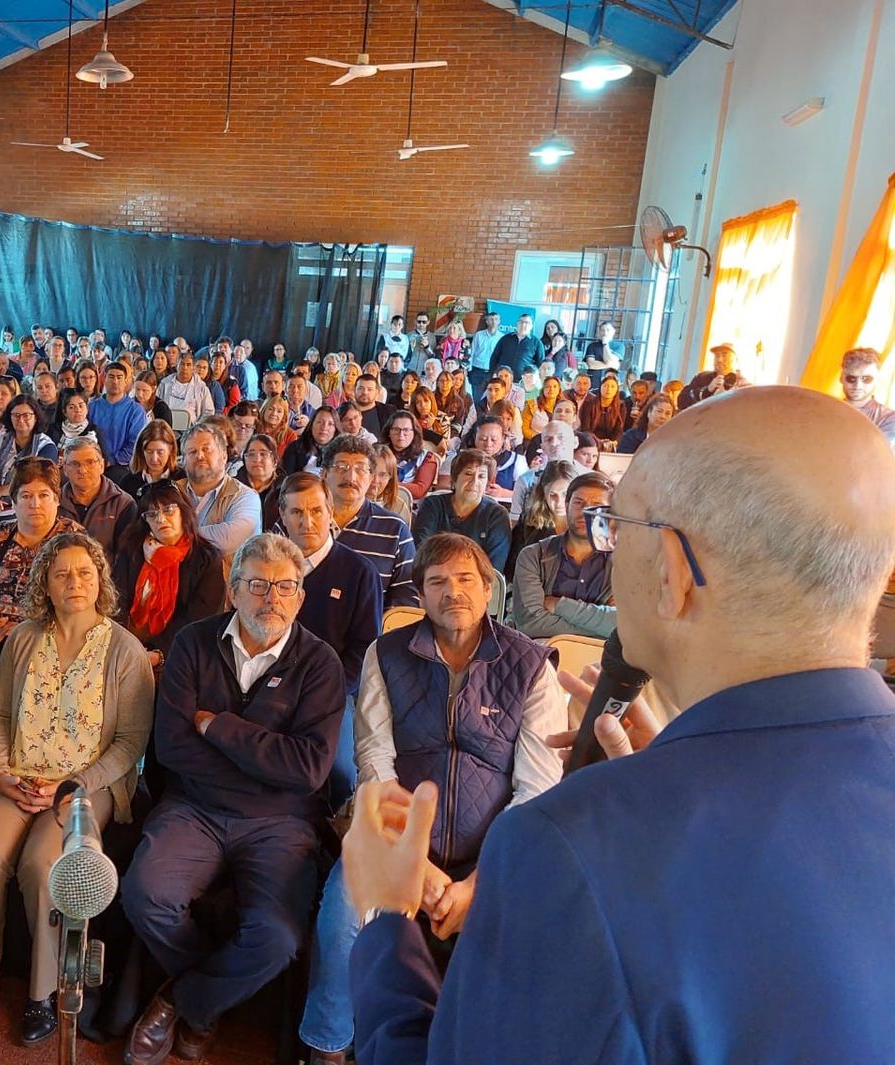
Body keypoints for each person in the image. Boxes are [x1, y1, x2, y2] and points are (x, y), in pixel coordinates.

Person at [349, 385, 895, 1063]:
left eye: (615, 524)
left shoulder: (566, 846)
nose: (605, 545)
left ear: (672, 571)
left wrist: (385, 918)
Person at [299, 532, 565, 1065]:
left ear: (490, 589)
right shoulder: (387, 653)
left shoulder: (532, 665)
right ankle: (326, 1048)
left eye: (466, 579)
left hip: (491, 851)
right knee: (345, 914)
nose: (453, 593)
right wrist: (413, 864)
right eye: (437, 582)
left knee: (537, 936)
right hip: (397, 839)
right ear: (419, 594)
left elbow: (537, 788)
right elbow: (375, 761)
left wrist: (479, 881)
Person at [122, 533, 345, 1065]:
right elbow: (173, 746)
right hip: (195, 810)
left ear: (301, 595)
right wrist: (267, 766)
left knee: (278, 937)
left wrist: (218, 726)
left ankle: (185, 1000)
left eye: (286, 586)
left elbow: (309, 769)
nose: (273, 597)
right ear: (233, 590)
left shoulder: (320, 664)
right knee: (145, 893)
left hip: (281, 824)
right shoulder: (193, 644)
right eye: (259, 584)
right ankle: (209, 999)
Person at [0, 532, 154, 1044]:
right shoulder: (24, 637)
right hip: (16, 775)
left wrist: (74, 786)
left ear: (100, 581)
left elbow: (130, 745)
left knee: (44, 866)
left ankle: (43, 993)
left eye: (84, 573)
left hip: (82, 791)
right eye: (62, 573)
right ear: (44, 582)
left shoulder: (125, 650)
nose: (74, 582)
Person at [278, 471, 383, 803]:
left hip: (335, 695)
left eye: (316, 511)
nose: (307, 521)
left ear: (330, 512)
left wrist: (325, 694)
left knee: (338, 772)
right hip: (272, 687)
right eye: (296, 512)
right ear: (282, 515)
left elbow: (365, 649)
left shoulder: (358, 572)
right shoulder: (271, 568)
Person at [0, 457, 84, 649]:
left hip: (50, 641)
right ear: (13, 502)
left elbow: (84, 601)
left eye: (44, 495)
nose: (35, 504)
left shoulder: (74, 539)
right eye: (26, 496)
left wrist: (26, 630)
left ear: (56, 499)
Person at [113, 480, 228, 671]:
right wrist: (125, 644)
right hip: (127, 645)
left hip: (180, 653)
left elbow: (200, 620)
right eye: (152, 514)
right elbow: (117, 600)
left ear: (184, 512)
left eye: (168, 510)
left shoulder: (207, 559)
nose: (160, 519)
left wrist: (157, 653)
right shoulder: (131, 551)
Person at [511, 469, 616, 638]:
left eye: (596, 505)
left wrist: (560, 605)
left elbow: (623, 626)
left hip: (600, 658)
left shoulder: (622, 563)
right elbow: (531, 624)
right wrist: (599, 626)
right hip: (542, 655)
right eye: (579, 503)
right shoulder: (533, 556)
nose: (586, 511)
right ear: (567, 505)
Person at [322, 435, 418, 608]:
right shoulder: (298, 518)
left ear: (371, 477)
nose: (350, 477)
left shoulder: (395, 530)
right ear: (324, 473)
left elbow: (406, 599)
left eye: (360, 469)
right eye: (341, 467)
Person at [412, 449, 510, 571]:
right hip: (434, 576)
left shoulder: (497, 515)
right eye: (468, 473)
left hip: (476, 581)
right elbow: (421, 549)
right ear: (454, 478)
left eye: (481, 476)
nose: (474, 482)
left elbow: (495, 565)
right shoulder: (433, 505)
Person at [182, 421, 261, 566]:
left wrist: (176, 537)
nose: (199, 456)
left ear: (224, 456)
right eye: (192, 452)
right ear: (183, 461)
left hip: (227, 585)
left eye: (207, 449)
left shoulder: (245, 497)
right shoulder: (173, 492)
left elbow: (228, 538)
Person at [507, 459, 581, 575]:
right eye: (552, 495)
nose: (559, 502)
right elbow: (514, 569)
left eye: (565, 494)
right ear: (543, 494)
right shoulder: (529, 524)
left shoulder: (586, 525)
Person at [509, 419, 577, 521]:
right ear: (542, 447)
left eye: (561, 437)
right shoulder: (526, 480)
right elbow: (515, 521)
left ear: (575, 442)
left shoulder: (588, 478)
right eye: (548, 439)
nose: (554, 443)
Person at [88, 361, 148, 470]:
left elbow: (136, 443)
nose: (115, 381)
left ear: (126, 381)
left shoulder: (136, 411)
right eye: (111, 377)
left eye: (119, 377)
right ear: (104, 379)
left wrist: (113, 461)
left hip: (122, 467)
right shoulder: (91, 407)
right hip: (92, 464)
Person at [839, 347, 895, 450]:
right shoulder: (825, 411)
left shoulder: (888, 418)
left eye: (866, 379)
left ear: (877, 379)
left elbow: (877, 456)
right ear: (841, 378)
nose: (858, 385)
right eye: (851, 378)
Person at [384, 410, 437, 501]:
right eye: (396, 429)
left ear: (414, 432)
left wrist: (386, 484)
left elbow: (419, 490)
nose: (401, 435)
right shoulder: (378, 453)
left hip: (409, 507)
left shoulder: (426, 457)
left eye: (406, 430)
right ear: (389, 432)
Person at [678, 342, 744, 409]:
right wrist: (707, 391)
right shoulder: (702, 378)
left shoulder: (743, 385)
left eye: (725, 355)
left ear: (736, 359)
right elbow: (681, 402)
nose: (719, 360)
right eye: (717, 356)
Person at [282, 407, 339, 475]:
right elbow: (287, 479)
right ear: (312, 424)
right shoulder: (295, 448)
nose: (324, 428)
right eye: (319, 422)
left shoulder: (340, 452)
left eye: (330, 424)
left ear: (336, 429)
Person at [159, 353, 213, 423]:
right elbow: (157, 405)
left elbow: (209, 412)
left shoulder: (201, 388)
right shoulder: (165, 383)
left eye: (188, 365)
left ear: (193, 368)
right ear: (176, 366)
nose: (185, 367)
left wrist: (197, 427)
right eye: (182, 364)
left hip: (191, 429)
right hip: (166, 426)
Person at [489, 314, 543, 384]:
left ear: (531, 326)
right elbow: (494, 357)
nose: (523, 325)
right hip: (503, 380)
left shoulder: (536, 342)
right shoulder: (505, 339)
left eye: (526, 323)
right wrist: (494, 373)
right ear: (517, 324)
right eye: (521, 322)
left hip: (523, 382)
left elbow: (540, 363)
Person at [580, 374, 628, 444]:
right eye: (605, 386)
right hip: (591, 441)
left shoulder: (621, 406)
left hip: (610, 443)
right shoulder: (589, 404)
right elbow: (586, 428)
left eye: (612, 387)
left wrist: (613, 442)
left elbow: (619, 429)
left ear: (617, 390)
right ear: (600, 387)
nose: (608, 389)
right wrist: (598, 442)